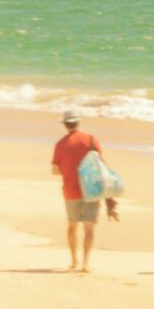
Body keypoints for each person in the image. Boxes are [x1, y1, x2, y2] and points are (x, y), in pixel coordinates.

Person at [51, 110, 107, 273]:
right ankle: (85, 263)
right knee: (89, 228)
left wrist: (68, 171)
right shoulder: (91, 140)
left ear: (64, 125)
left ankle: (73, 260)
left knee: (72, 226)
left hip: (71, 190)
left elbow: (55, 170)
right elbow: (101, 163)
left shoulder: (61, 144)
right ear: (78, 122)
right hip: (91, 189)